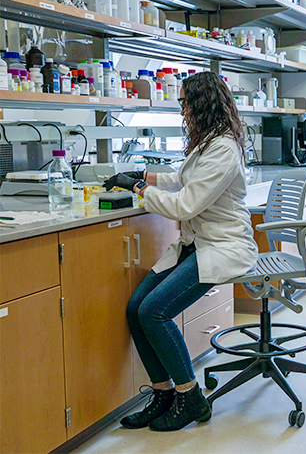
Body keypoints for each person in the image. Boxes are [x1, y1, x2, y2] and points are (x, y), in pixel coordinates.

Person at [103, 71, 258, 431]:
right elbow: (182, 179)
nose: (183, 110)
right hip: (195, 243)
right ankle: (163, 394)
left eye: (186, 103)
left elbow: (186, 204)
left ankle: (190, 398)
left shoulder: (223, 148)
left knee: (154, 312)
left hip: (223, 245)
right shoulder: (209, 142)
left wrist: (139, 188)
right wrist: (141, 174)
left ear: (202, 104)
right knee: (136, 309)